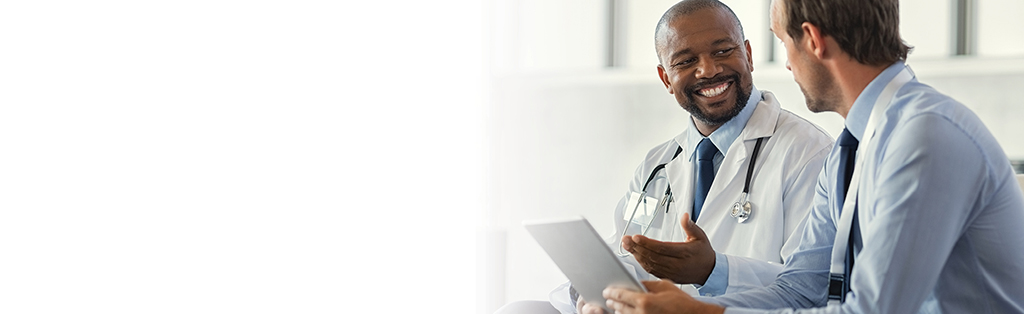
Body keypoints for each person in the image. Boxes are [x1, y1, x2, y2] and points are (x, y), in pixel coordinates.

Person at [595, 0, 1024, 313]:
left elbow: (873, 311)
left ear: (813, 41)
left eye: (783, 43)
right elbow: (802, 290)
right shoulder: (850, 151)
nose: (785, 65)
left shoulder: (925, 138)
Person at [494, 1, 833, 314]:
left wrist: (713, 270)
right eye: (685, 61)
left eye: (723, 51)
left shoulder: (808, 154)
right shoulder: (657, 166)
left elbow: (809, 289)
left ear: (747, 54)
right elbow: (626, 253)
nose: (708, 70)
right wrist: (591, 292)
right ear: (665, 78)